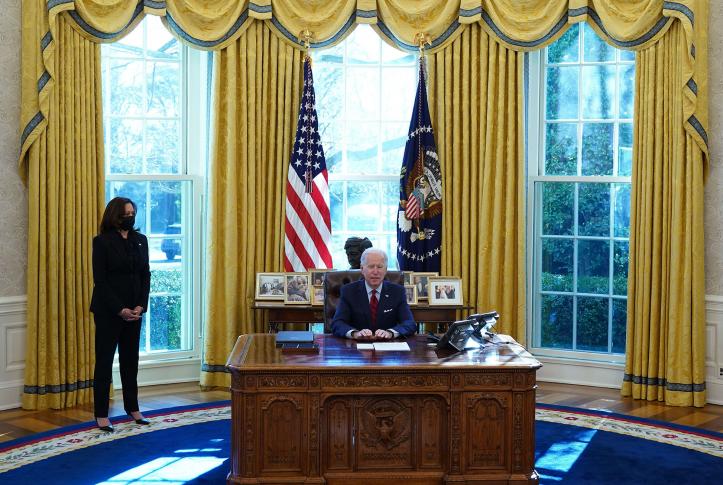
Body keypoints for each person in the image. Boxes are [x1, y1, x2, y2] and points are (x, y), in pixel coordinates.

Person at [90, 197, 151, 432]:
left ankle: (132, 408)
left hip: (134, 312)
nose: (130, 216)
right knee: (104, 362)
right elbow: (101, 282)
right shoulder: (102, 242)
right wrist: (120, 309)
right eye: (126, 213)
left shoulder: (140, 241)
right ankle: (101, 414)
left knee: (130, 361)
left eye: (132, 212)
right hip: (109, 312)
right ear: (115, 215)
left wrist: (140, 306)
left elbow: (145, 275)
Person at [331, 248, 416, 340]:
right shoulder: (349, 291)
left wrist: (390, 333)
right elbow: (337, 323)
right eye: (371, 266)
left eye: (380, 267)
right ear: (362, 269)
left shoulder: (397, 292)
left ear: (386, 269)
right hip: (356, 348)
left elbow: (409, 323)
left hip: (388, 348)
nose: (375, 272)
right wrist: (355, 334)